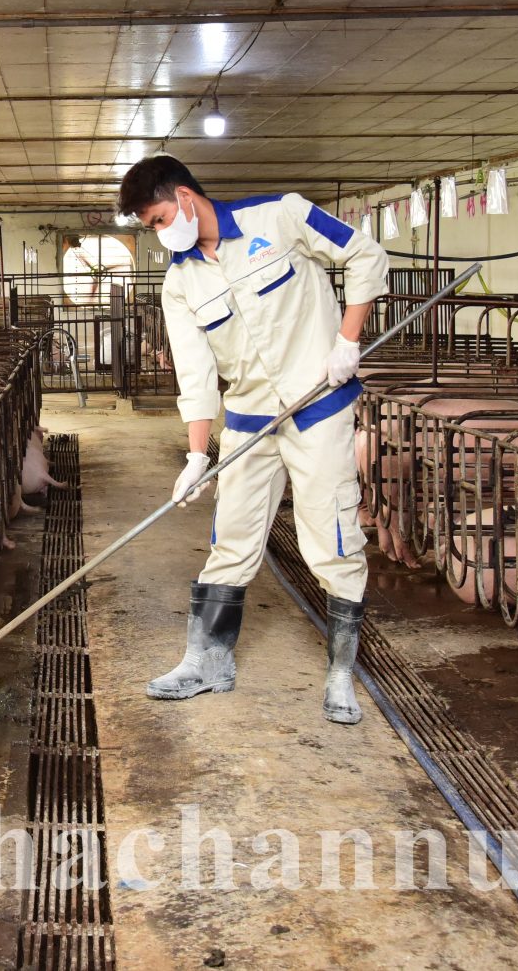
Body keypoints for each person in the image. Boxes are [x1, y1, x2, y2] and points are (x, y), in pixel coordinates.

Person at [116, 154, 389, 724]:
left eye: (159, 219)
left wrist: (348, 340)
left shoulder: (281, 216)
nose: (161, 234)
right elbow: (194, 374)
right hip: (248, 419)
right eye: (150, 227)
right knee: (232, 537)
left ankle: (341, 673)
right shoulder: (180, 283)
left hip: (317, 407)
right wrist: (196, 455)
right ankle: (207, 662)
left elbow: (365, 254)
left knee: (332, 537)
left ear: (184, 197)